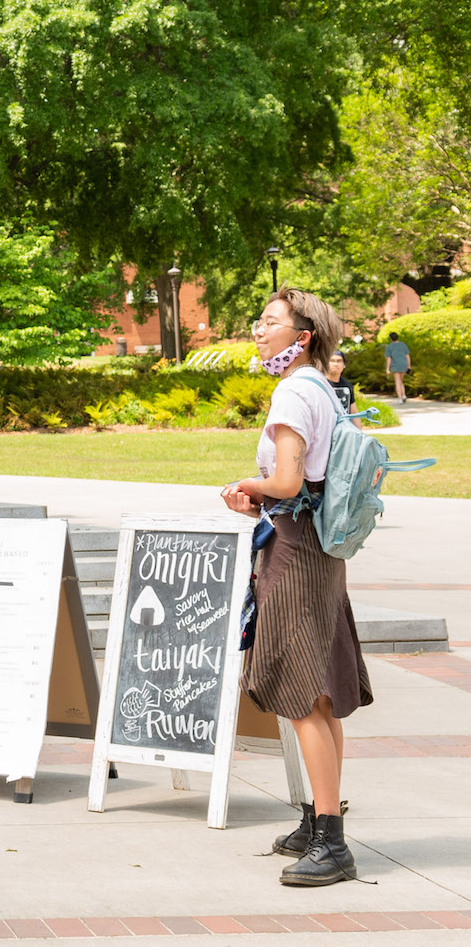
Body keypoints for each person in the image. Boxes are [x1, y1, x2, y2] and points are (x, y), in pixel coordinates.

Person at [222, 288, 373, 887]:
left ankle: (332, 843)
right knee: (324, 693)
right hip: (323, 547)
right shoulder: (325, 390)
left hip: (296, 552)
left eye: (270, 323)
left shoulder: (292, 391)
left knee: (306, 693)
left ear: (302, 336)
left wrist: (245, 487)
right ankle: (319, 820)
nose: (259, 331)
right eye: (258, 322)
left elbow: (286, 480)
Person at [383, 331, 411, 403]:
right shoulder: (403, 345)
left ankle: (400, 398)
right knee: (401, 381)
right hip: (403, 364)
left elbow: (389, 358)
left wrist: (387, 369)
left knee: (397, 382)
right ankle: (404, 395)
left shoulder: (389, 347)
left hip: (395, 365)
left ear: (391, 338)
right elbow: (407, 356)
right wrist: (409, 366)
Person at [326, 349, 355, 413]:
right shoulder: (320, 383)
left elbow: (353, 411)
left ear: (344, 364)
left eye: (339, 361)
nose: (336, 364)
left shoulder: (347, 385)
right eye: (332, 361)